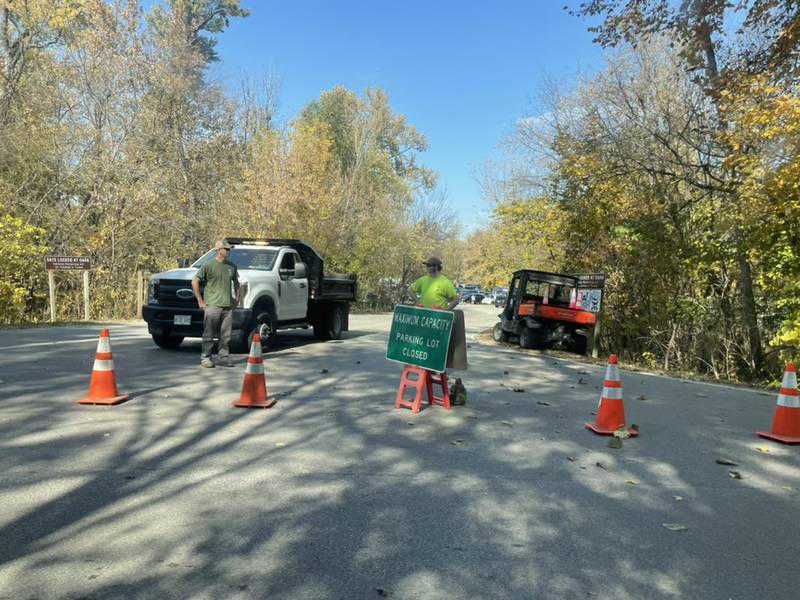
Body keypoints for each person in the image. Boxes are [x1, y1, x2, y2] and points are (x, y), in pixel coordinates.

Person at [192, 240, 240, 368]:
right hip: (212, 305)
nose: (229, 251)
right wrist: (200, 301)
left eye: (229, 249)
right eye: (227, 249)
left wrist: (237, 299)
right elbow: (195, 281)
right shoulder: (208, 265)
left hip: (227, 306)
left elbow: (236, 283)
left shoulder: (231, 266)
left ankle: (223, 357)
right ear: (219, 250)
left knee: (226, 335)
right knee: (209, 333)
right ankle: (206, 358)